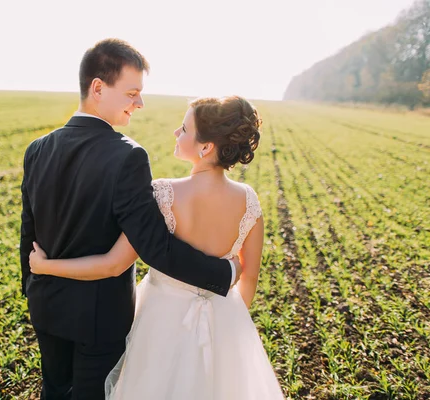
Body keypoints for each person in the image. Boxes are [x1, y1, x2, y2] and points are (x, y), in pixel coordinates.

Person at [19, 38, 241, 400]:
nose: (140, 103)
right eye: (132, 93)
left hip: (45, 305)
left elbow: (28, 232)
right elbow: (154, 246)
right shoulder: (128, 156)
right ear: (98, 88)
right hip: (99, 319)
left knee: (54, 391)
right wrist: (223, 273)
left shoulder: (38, 148)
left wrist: (31, 284)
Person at [30, 96, 285, 399]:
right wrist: (224, 326)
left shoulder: (164, 194)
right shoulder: (249, 200)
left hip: (159, 326)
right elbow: (249, 280)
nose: (176, 134)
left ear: (206, 148)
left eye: (184, 129)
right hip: (222, 325)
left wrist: (46, 266)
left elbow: (114, 263)